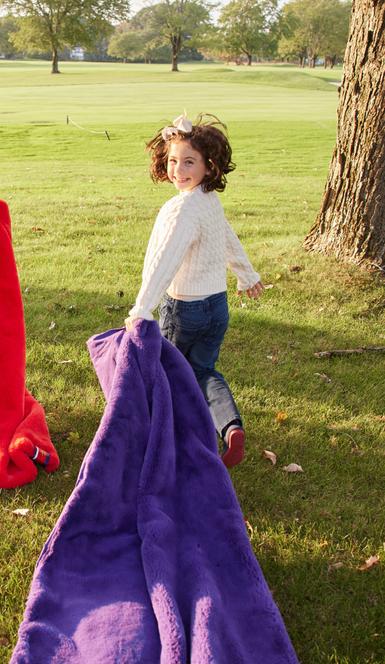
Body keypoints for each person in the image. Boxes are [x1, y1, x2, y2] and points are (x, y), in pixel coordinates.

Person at [124, 114, 264, 468]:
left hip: (184, 310)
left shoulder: (182, 209)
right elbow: (228, 238)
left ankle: (171, 443)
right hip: (216, 308)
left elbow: (164, 262)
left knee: (169, 374)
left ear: (209, 165)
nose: (179, 169)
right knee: (204, 371)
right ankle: (231, 428)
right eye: (173, 161)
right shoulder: (206, 198)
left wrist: (142, 309)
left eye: (189, 162)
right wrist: (246, 276)